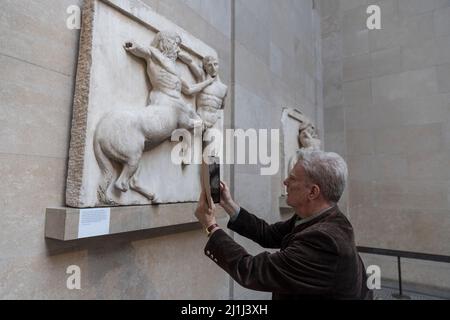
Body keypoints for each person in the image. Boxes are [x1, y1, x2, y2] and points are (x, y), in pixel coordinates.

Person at [195, 149, 372, 299]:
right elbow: (268, 234)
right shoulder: (320, 217)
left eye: (292, 178)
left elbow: (251, 270)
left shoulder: (324, 240)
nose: (285, 182)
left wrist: (211, 226)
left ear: (313, 192)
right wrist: (229, 204)